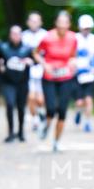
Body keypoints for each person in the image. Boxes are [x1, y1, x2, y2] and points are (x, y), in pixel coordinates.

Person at [33, 11, 77, 153]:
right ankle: (45, 125)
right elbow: (35, 53)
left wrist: (73, 62)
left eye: (65, 22)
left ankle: (56, 142)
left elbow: (73, 55)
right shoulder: (47, 37)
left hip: (66, 77)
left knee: (62, 110)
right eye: (60, 22)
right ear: (56, 23)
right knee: (51, 109)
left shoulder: (73, 38)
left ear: (69, 24)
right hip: (49, 77)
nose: (62, 25)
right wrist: (44, 64)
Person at [72, 14, 94, 132]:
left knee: (89, 99)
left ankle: (87, 122)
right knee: (79, 102)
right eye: (84, 28)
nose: (86, 30)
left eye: (88, 28)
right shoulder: (75, 38)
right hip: (77, 74)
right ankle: (78, 112)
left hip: (90, 74)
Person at [0, 25, 33, 143]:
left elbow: (35, 61)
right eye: (13, 34)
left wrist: (30, 61)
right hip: (8, 82)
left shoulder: (27, 49)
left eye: (18, 34)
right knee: (9, 104)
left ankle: (21, 132)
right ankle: (10, 132)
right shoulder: (3, 48)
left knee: (21, 107)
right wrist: (0, 65)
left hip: (22, 83)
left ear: (21, 35)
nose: (16, 36)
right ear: (10, 35)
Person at [21, 11, 48, 133]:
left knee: (40, 99)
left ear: (40, 22)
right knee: (31, 97)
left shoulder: (45, 35)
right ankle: (35, 119)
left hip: (42, 70)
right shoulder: (23, 36)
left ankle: (41, 112)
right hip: (28, 71)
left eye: (36, 21)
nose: (34, 23)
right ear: (28, 22)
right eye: (32, 21)